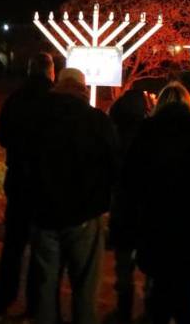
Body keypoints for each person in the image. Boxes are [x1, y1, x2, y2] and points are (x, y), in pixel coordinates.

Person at [121, 82, 190, 324]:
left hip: (154, 221)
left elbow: (129, 176)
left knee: (158, 285)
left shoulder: (146, 134)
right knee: (185, 288)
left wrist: (138, 205)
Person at [22, 68, 119, 324]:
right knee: (85, 287)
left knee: (45, 285)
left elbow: (22, 162)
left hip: (43, 212)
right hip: (85, 214)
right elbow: (114, 163)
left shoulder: (34, 118)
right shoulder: (97, 120)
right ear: (82, 88)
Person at [0, 52, 55, 319]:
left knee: (13, 245)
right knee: (41, 248)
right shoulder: (55, 101)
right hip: (45, 182)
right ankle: (35, 304)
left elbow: (2, 136)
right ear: (50, 71)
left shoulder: (15, 99)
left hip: (18, 178)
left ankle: (3, 299)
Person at [107, 89, 151, 323]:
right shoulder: (151, 134)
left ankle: (123, 310)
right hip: (146, 211)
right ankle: (150, 311)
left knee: (123, 266)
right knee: (150, 265)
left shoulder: (114, 134)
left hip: (123, 209)